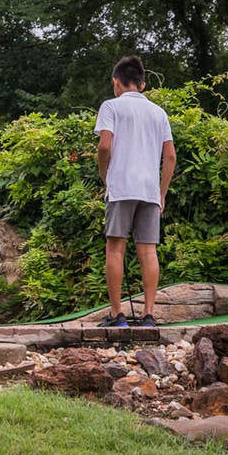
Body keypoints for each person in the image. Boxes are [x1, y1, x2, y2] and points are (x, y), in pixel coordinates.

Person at [94, 55, 176, 328]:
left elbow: (105, 146)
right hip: (150, 190)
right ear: (142, 84)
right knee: (148, 251)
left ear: (116, 82)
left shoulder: (111, 106)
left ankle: (118, 315)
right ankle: (149, 315)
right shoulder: (159, 113)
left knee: (115, 249)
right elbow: (171, 156)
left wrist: (105, 176)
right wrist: (162, 192)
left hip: (121, 187)